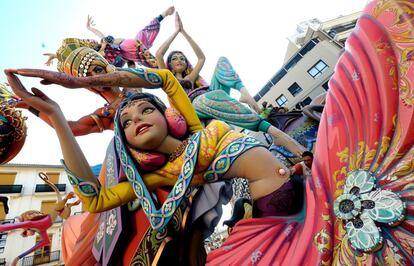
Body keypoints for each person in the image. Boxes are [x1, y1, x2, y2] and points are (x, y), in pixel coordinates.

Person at [156, 13, 305, 156]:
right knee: (214, 95)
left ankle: (244, 92)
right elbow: (159, 55)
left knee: (222, 61)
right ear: (169, 64)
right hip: (193, 106)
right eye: (175, 58)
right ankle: (273, 132)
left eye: (182, 57)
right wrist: (176, 32)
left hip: (209, 97)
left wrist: (185, 32)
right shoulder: (169, 81)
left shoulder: (190, 78)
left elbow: (201, 58)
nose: (180, 60)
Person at [44, 6, 175, 68]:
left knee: (147, 47)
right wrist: (56, 56)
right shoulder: (101, 55)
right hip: (128, 53)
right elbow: (77, 56)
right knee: (143, 39)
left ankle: (163, 14)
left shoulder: (103, 44)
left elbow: (100, 35)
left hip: (128, 47)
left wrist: (90, 28)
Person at [0, 173, 79, 266]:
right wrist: (18, 258)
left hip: (55, 213)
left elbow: (9, 227)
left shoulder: (29, 224)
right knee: (63, 213)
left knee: (57, 203)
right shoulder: (40, 230)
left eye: (27, 234)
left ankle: (68, 202)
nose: (30, 235)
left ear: (26, 231)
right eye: (28, 235)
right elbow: (45, 242)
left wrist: (48, 183)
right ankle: (69, 204)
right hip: (61, 212)